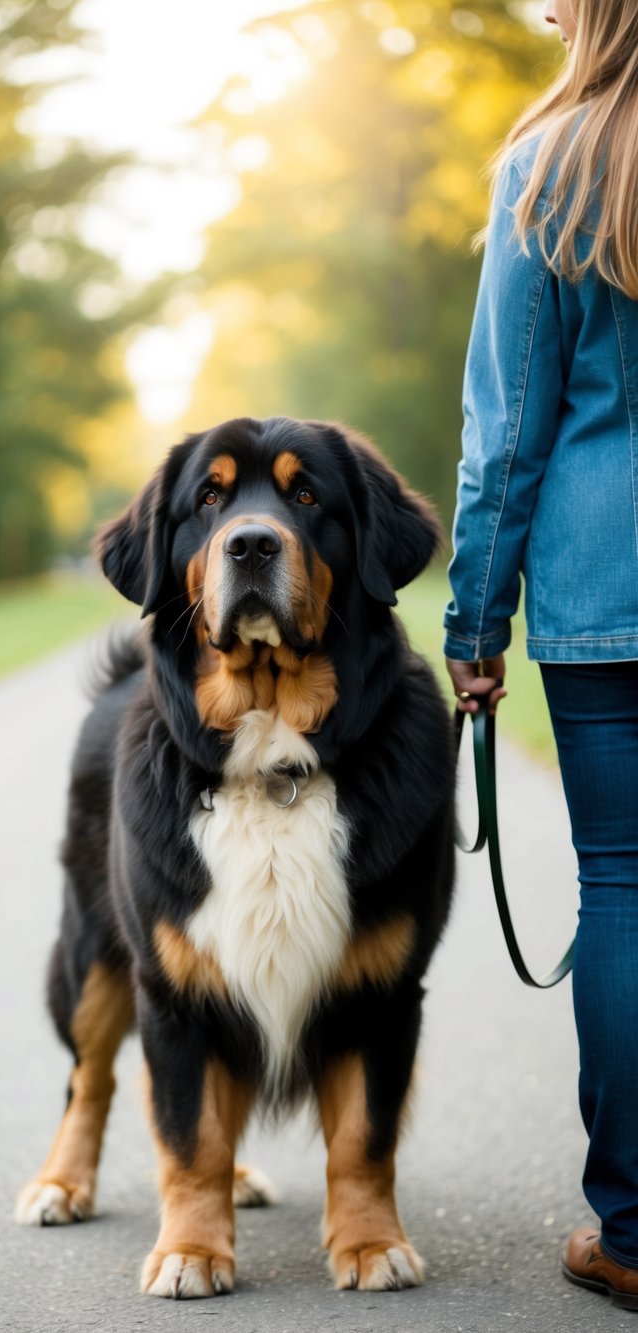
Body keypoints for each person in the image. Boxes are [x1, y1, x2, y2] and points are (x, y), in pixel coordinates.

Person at [443, 0, 638, 1312]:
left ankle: (633, 1229)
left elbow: (507, 430)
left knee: (623, 884)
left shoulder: (555, 163)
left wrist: (474, 627)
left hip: (602, 580)